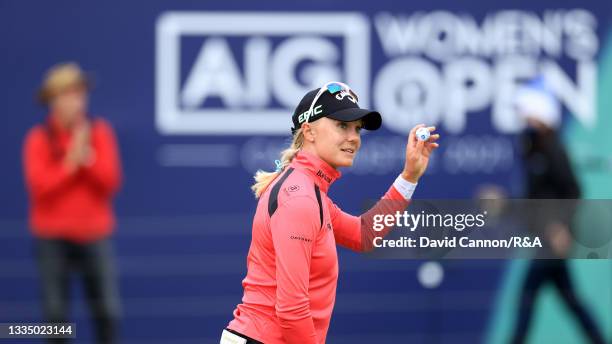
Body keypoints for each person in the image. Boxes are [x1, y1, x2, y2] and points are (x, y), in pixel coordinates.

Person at [221, 81, 439, 344]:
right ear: (309, 131)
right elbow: (292, 309)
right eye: (341, 125)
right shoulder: (300, 197)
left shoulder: (309, 192)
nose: (354, 138)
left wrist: (409, 176)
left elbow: (364, 234)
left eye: (357, 129)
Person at [22, 63, 122, 344]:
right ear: (53, 100)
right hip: (52, 239)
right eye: (67, 94)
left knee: (107, 311)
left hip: (94, 235)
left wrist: (85, 158)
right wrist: (70, 164)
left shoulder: (100, 133)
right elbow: (40, 188)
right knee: (55, 316)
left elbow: (110, 181)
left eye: (79, 94)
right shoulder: (38, 139)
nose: (75, 101)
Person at [511, 77, 605, 344]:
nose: (523, 116)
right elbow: (535, 196)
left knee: (528, 296)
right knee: (570, 299)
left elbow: (573, 190)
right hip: (544, 237)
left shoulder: (552, 148)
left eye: (526, 111)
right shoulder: (531, 147)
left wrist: (560, 227)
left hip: (552, 241)